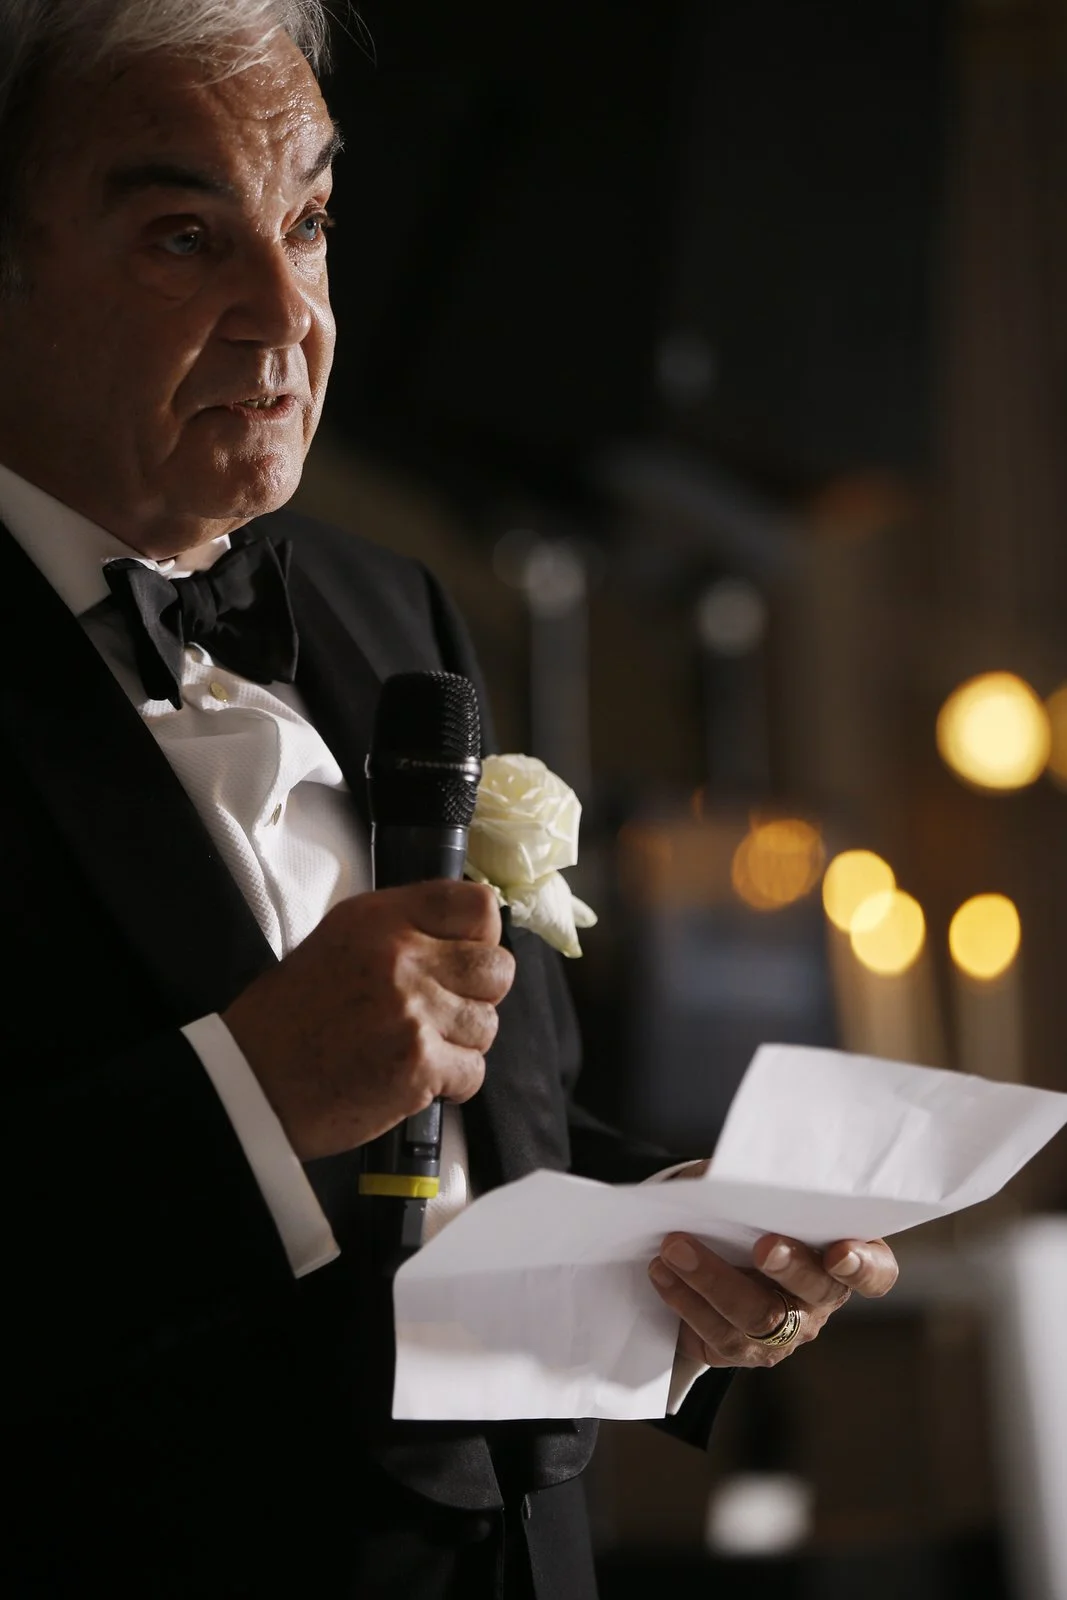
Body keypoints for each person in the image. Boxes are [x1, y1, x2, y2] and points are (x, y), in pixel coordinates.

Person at [0, 2, 899, 1594]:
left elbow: (476, 1129)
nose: (287, 315)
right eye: (181, 237)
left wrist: (684, 1241)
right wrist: (250, 1102)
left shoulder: (387, 608)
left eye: (310, 223)